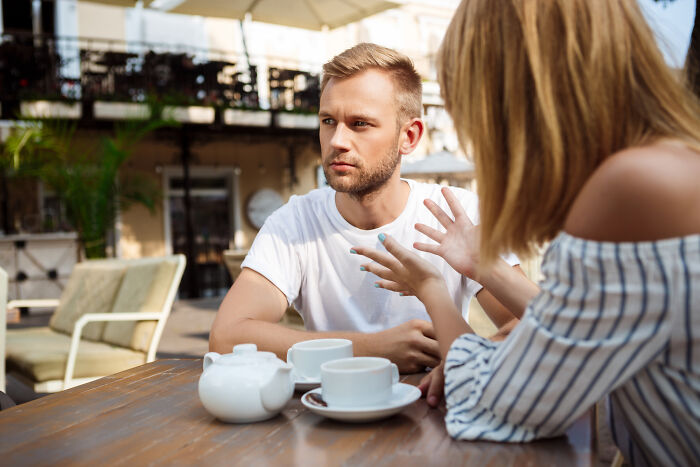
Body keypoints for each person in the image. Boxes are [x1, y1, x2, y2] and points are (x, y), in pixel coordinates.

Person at [352, 1, 700, 465]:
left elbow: (495, 400)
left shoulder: (631, 189)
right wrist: (486, 268)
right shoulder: (676, 162)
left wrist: (431, 287)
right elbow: (587, 329)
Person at [209, 43, 521, 402]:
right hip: (329, 418)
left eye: (360, 124)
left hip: (434, 414)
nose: (338, 141)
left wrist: (465, 360)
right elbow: (227, 336)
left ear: (409, 137)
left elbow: (525, 327)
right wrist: (371, 348)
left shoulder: (456, 214)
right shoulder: (295, 222)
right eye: (328, 121)